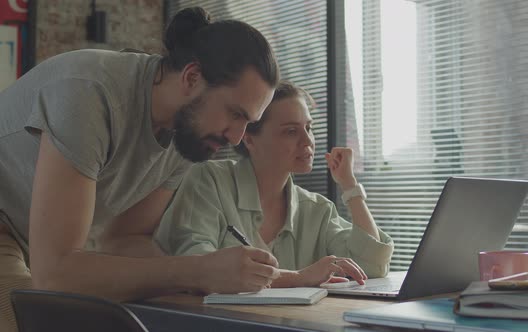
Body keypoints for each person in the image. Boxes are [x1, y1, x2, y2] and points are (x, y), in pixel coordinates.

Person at [0, 6, 282, 331]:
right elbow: (56, 275)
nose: (237, 137)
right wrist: (196, 271)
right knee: (37, 320)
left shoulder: (188, 135)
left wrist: (209, 277)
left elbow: (123, 239)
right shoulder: (89, 94)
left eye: (248, 123)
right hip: (8, 231)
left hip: (38, 251)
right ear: (191, 77)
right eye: (235, 113)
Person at [155, 81, 394, 287]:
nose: (307, 141)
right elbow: (199, 268)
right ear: (248, 139)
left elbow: (370, 267)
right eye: (290, 131)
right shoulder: (209, 181)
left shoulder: (316, 210)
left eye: (308, 128)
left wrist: (350, 187)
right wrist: (299, 278)